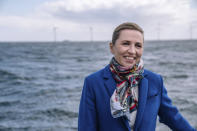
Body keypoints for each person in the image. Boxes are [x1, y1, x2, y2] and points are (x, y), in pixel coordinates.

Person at [78, 22, 196, 131]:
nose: (132, 51)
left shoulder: (155, 81)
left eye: (138, 45)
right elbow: (86, 127)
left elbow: (173, 118)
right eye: (126, 43)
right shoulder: (93, 82)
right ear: (111, 47)